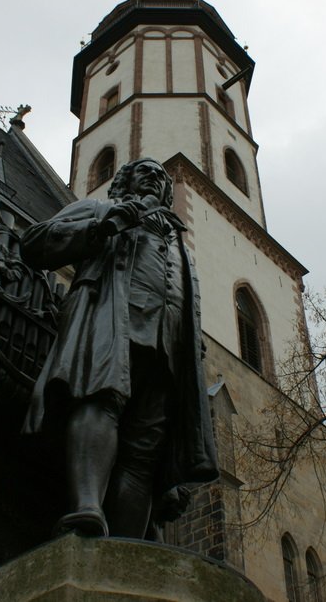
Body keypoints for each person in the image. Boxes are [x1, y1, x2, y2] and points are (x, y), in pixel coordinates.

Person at [20, 158, 218, 538]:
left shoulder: (180, 245)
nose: (154, 180)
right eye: (144, 173)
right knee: (100, 399)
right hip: (111, 320)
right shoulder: (101, 209)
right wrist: (104, 226)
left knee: (144, 450)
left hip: (168, 350)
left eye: (161, 178)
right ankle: (87, 507)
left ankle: (129, 544)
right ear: (123, 183)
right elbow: (35, 242)